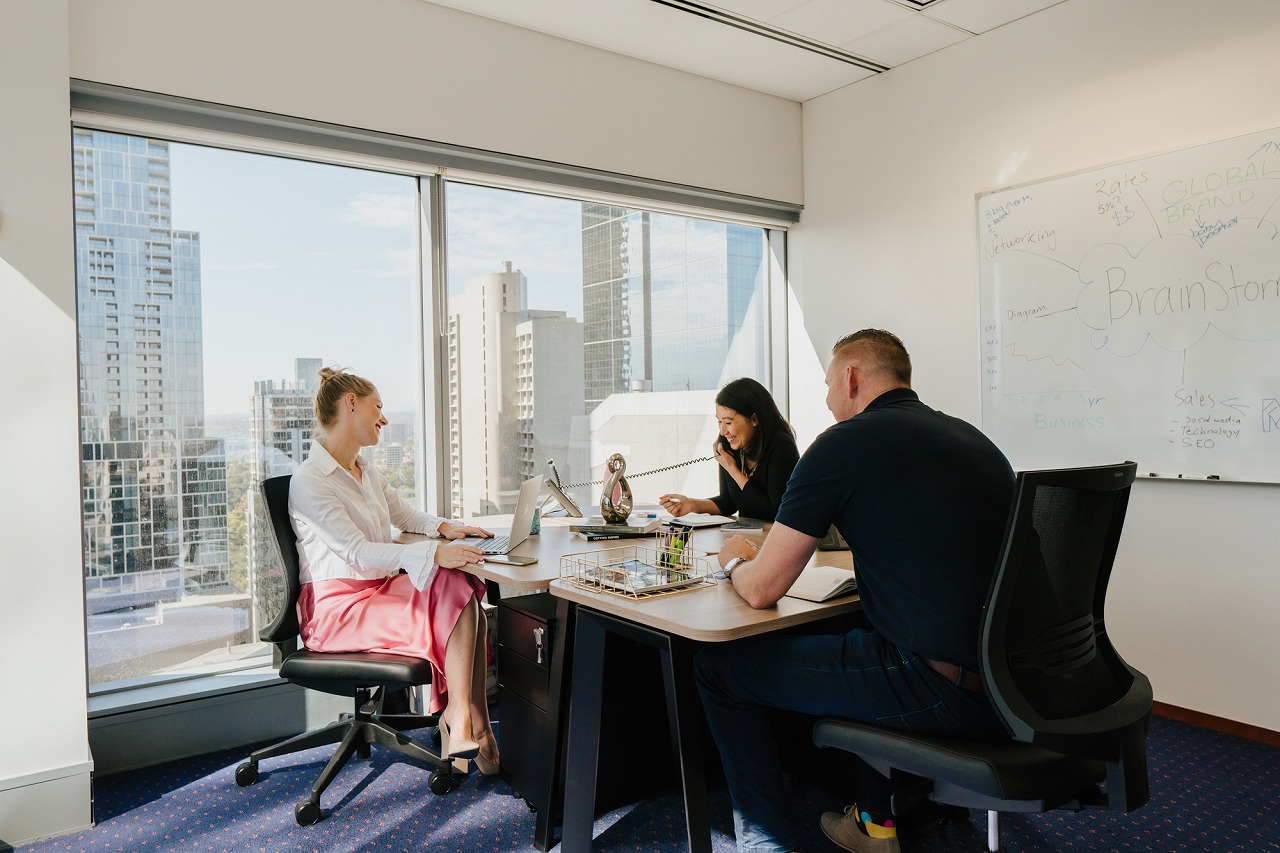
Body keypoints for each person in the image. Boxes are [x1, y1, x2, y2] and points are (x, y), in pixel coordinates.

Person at [694, 330, 1016, 853]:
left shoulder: (843, 443)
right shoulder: (973, 440)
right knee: (853, 623)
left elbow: (761, 591)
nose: (826, 398)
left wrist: (733, 559)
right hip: (1012, 687)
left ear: (850, 378)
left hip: (933, 684)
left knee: (718, 668)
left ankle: (764, 844)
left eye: (826, 384)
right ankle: (875, 824)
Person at [288, 367, 500, 775]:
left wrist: (446, 529)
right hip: (337, 611)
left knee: (460, 585)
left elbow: (403, 514)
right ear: (351, 404)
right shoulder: (310, 480)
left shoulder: (364, 470)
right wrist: (435, 555)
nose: (383, 419)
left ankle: (469, 717)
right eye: (378, 408)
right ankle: (464, 718)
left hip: (377, 592)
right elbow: (356, 552)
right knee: (451, 584)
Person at [658, 377, 799, 523]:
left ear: (755, 419)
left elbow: (773, 511)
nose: (723, 431)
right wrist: (691, 504)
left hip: (777, 536)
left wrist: (732, 469)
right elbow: (728, 502)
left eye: (728, 422)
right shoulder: (732, 446)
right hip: (751, 535)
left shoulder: (781, 446)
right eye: (719, 422)